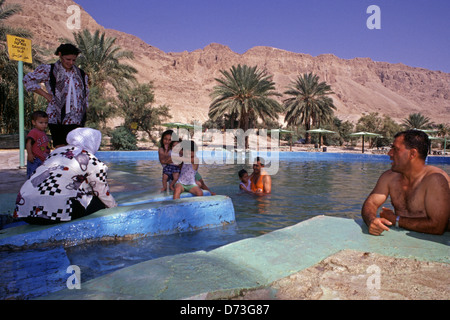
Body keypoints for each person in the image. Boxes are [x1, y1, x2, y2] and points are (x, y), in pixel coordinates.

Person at [14, 128, 117, 224]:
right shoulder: (92, 161)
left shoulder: (56, 152)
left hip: (24, 212)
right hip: (53, 215)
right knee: (99, 201)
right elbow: (102, 192)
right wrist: (114, 207)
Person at [362, 130, 450, 236]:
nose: (389, 153)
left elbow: (437, 227)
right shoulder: (389, 177)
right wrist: (371, 220)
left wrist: (396, 220)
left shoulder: (435, 180)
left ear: (412, 154)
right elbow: (371, 203)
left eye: (395, 149)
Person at [23, 43, 89, 148]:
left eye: (74, 60)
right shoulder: (49, 70)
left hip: (76, 118)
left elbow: (86, 94)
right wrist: (46, 95)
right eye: (68, 59)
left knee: (74, 148)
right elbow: (28, 80)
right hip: (57, 116)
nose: (71, 62)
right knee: (60, 147)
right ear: (60, 55)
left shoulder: (81, 74)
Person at [25, 111, 51, 179]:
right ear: (34, 122)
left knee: (41, 176)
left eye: (46, 123)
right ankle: (30, 188)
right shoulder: (33, 132)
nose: (44, 125)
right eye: (41, 123)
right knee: (33, 176)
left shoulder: (43, 132)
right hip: (35, 159)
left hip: (43, 159)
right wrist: (30, 154)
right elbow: (28, 143)